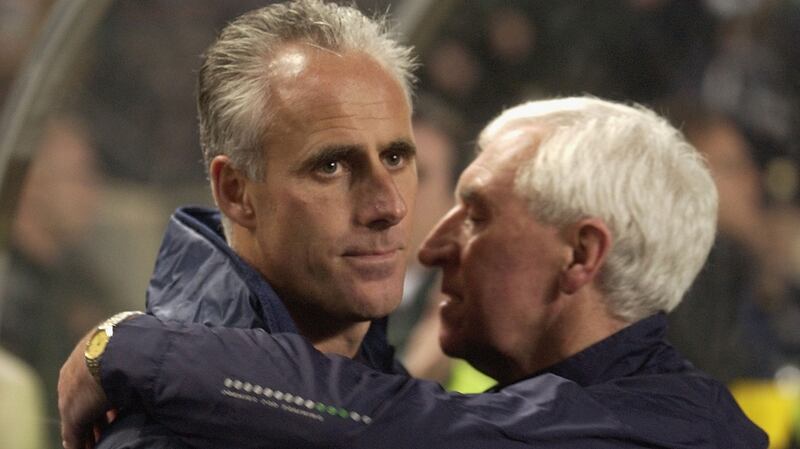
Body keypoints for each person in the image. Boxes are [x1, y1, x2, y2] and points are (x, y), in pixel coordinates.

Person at [60, 97, 768, 448]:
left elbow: (398, 424)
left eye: (478, 214)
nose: (431, 247)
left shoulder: (667, 430)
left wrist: (127, 346)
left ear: (581, 255)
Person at [59, 1, 418, 447]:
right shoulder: (171, 437)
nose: (389, 205)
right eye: (330, 166)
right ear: (236, 192)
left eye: (396, 157)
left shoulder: (380, 370)